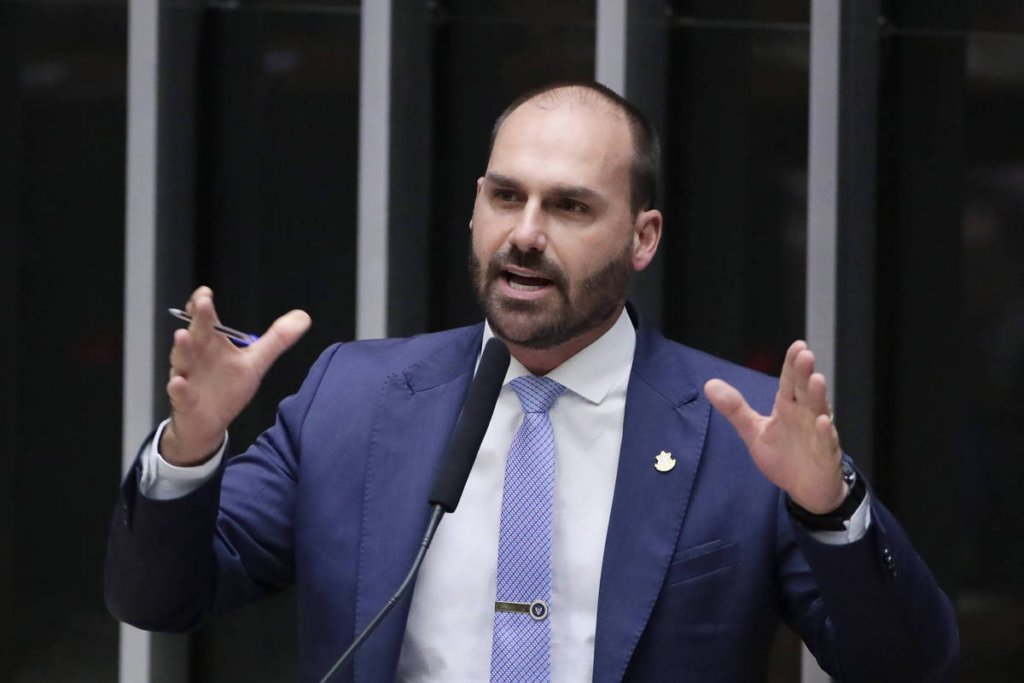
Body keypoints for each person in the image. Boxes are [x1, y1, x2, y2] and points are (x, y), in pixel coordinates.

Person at [105, 82, 959, 682]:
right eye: (506, 197)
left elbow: (909, 666)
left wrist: (829, 510)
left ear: (644, 237)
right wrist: (190, 447)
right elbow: (157, 597)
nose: (525, 234)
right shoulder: (353, 399)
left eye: (570, 206)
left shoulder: (741, 433)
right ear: (474, 207)